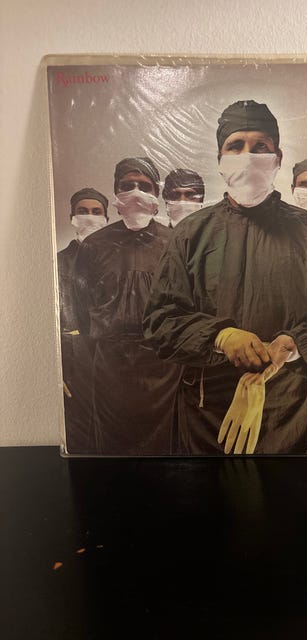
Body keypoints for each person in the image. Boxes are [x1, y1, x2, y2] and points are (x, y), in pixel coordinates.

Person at [143, 100, 307, 455]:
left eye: (260, 147)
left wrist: (294, 343)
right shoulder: (191, 233)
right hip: (209, 411)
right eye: (236, 146)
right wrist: (221, 336)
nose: (248, 157)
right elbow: (160, 320)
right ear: (220, 160)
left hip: (293, 410)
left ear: (278, 158)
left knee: (295, 491)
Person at [73, 157, 183, 454]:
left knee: (164, 449)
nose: (135, 192)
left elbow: (187, 304)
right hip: (111, 366)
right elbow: (80, 308)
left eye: (144, 186)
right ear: (116, 192)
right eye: (127, 186)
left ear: (156, 194)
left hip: (163, 368)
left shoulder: (175, 243)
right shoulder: (94, 245)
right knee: (112, 449)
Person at [58, 187, 108, 453]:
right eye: (83, 211)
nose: (89, 217)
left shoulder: (118, 261)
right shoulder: (58, 263)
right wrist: (57, 370)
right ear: (72, 218)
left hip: (115, 359)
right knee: (82, 438)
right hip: (75, 361)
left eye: (96, 212)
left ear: (107, 218)